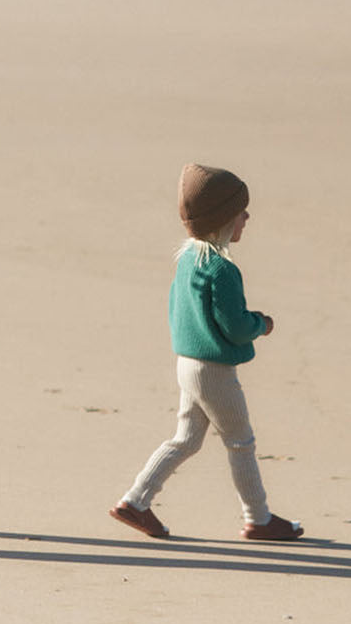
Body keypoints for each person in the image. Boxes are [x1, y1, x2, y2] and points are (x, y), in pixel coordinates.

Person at [110, 164, 304, 542]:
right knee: (240, 441)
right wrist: (259, 324)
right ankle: (258, 518)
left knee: (186, 439)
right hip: (213, 370)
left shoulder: (187, 259)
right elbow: (232, 325)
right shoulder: (221, 269)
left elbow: (179, 310)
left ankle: (136, 501)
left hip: (187, 363)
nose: (246, 218)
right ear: (224, 221)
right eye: (240, 213)